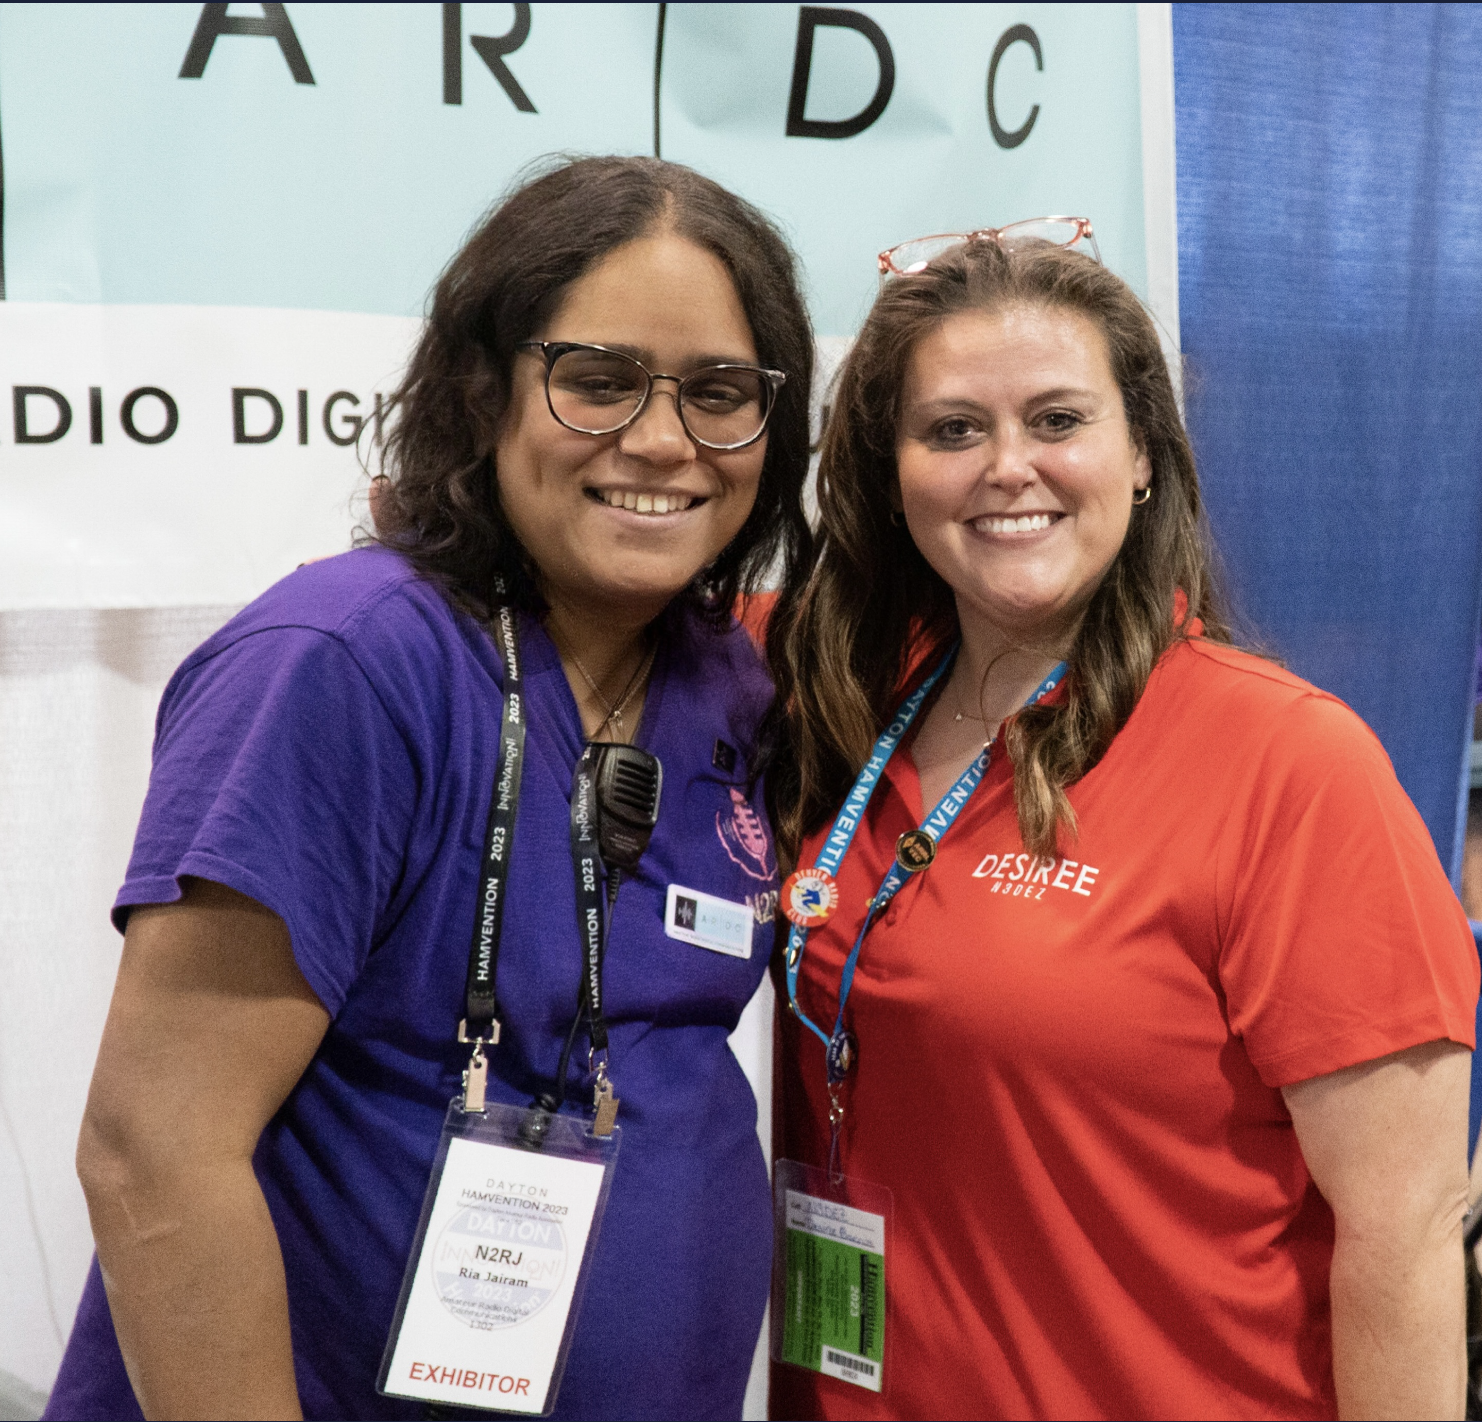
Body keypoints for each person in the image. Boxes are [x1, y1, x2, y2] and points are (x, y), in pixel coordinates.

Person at [45, 155, 812, 1422]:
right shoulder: (345, 662)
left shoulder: (729, 684)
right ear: (483, 389)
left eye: (719, 393)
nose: (665, 441)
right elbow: (152, 1153)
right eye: (601, 380)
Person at [763, 221, 1478, 1420]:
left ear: (1142, 451)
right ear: (891, 472)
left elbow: (1403, 1235)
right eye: (952, 429)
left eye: (1058, 420)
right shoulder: (834, 702)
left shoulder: (1289, 767)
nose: (1008, 466)